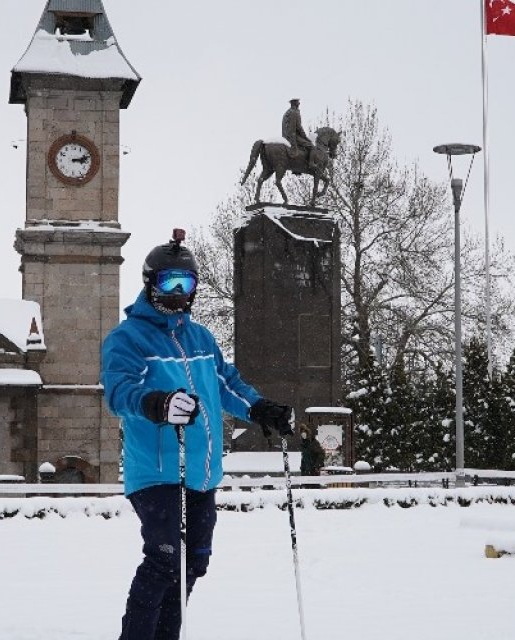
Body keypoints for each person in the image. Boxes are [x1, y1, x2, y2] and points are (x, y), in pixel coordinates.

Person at [102, 228, 295, 640]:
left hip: (202, 474)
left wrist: (259, 408)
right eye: (168, 282)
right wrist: (158, 403)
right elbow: (119, 392)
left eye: (185, 283)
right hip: (156, 472)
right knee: (164, 558)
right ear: (150, 283)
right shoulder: (127, 338)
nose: (176, 292)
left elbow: (226, 385)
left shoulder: (201, 337)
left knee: (194, 563)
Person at [281, 98, 313, 169]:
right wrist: (305, 137)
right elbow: (298, 127)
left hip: (286, 135)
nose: (299, 104)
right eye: (298, 102)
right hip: (292, 136)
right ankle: (310, 165)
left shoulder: (288, 112)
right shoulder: (294, 112)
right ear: (295, 103)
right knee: (310, 146)